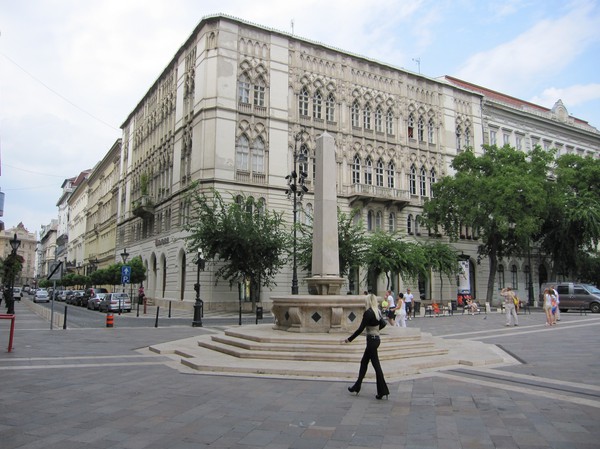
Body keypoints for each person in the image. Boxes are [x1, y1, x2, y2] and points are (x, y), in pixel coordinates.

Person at [343, 293, 390, 400]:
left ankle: (383, 390)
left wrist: (349, 339)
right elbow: (383, 324)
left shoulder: (368, 313)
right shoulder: (377, 311)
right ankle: (357, 386)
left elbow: (360, 329)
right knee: (364, 362)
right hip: (376, 339)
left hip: (371, 341)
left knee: (376, 366)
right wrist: (375, 330)